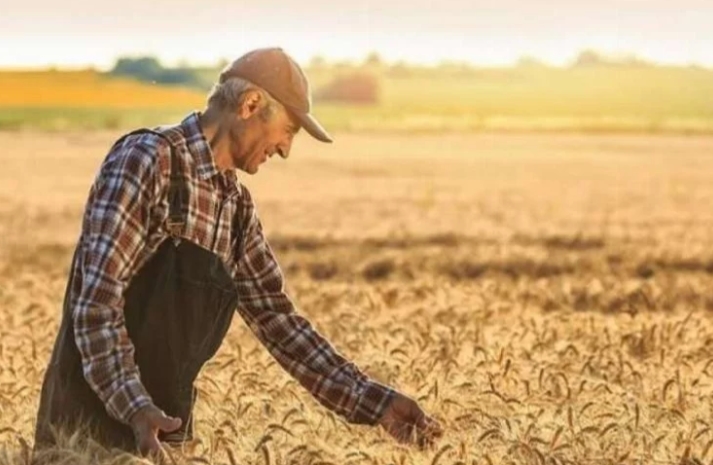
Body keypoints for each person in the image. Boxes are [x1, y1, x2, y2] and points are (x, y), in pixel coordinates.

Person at [33, 47, 442, 457]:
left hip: (162, 440)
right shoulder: (148, 160)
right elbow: (96, 305)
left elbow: (279, 322)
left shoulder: (236, 209)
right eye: (290, 130)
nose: (285, 149)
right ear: (251, 104)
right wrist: (135, 407)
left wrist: (376, 403)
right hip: (84, 439)